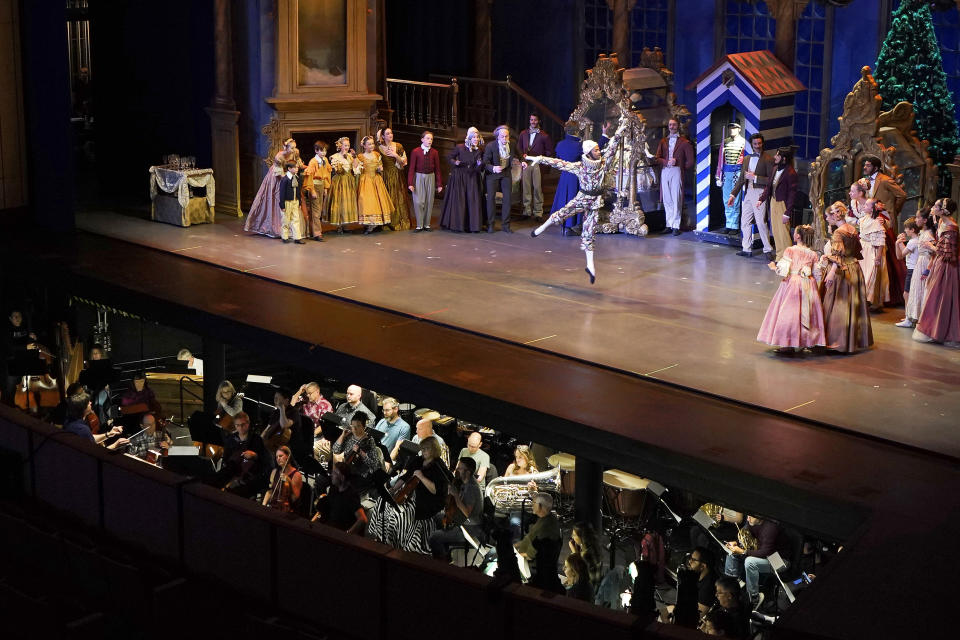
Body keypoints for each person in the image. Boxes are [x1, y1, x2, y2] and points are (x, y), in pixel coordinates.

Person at [528, 117, 629, 283]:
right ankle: (542, 228)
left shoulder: (603, 163)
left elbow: (613, 145)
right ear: (588, 152)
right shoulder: (580, 166)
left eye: (598, 149)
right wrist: (540, 158)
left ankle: (590, 266)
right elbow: (559, 163)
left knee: (589, 233)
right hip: (583, 198)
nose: (599, 151)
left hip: (594, 202)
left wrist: (622, 127)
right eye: (596, 150)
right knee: (563, 212)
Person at [368, 436, 448, 553]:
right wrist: (394, 489)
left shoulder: (439, 467)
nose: (423, 451)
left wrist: (421, 477)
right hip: (410, 494)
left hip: (426, 501)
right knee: (382, 501)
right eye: (423, 449)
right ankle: (379, 535)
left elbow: (435, 490)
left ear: (434, 450)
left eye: (426, 449)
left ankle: (394, 542)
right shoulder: (418, 460)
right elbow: (405, 477)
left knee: (397, 514)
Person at [757, 224, 826, 353]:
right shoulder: (813, 254)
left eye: (795, 233)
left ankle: (787, 343)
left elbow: (783, 269)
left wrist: (773, 267)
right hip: (808, 284)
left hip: (793, 283)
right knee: (806, 313)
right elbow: (817, 274)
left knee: (790, 313)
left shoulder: (791, 250)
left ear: (798, 236)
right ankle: (806, 340)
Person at [819, 222, 874, 353]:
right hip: (854, 268)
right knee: (852, 305)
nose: (827, 219)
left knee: (838, 305)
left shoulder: (838, 232)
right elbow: (855, 251)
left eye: (829, 215)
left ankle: (836, 341)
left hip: (841, 270)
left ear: (836, 215)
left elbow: (838, 257)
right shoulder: (852, 229)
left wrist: (832, 272)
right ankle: (852, 340)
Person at [913, 198, 959, 345]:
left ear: (942, 210)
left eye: (935, 206)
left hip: (947, 267)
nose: (932, 208)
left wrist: (930, 246)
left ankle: (942, 331)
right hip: (939, 263)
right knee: (934, 295)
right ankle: (933, 329)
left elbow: (948, 253)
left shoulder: (951, 227)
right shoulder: (941, 221)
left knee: (941, 297)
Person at [724, 515, 791, 607]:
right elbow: (743, 534)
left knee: (749, 562)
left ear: (759, 516)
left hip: (779, 560)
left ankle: (754, 598)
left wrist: (743, 551)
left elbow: (765, 552)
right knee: (732, 553)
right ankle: (731, 585)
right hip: (766, 555)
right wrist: (736, 543)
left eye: (751, 516)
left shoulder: (770, 528)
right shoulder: (752, 521)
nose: (747, 519)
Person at [428, 456, 484, 560]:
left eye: (459, 468)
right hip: (461, 521)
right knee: (437, 517)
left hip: (470, 528)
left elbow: (467, 513)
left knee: (434, 538)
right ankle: (445, 548)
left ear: (467, 472)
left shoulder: (472, 487)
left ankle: (443, 562)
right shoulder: (463, 482)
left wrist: (455, 495)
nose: (456, 470)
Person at [728, 133, 774, 259]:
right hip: (748, 192)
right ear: (751, 145)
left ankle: (767, 249)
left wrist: (756, 177)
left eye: (759, 143)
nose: (757, 146)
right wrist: (733, 194)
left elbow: (771, 180)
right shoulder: (747, 158)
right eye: (755, 144)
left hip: (760, 193)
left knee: (760, 222)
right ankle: (746, 249)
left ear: (762, 143)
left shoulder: (768, 159)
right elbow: (742, 179)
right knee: (745, 221)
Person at [245, 138, 302, 237]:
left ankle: (292, 229)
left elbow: (298, 164)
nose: (294, 149)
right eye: (292, 148)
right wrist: (288, 181)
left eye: (295, 147)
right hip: (278, 177)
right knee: (276, 199)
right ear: (285, 147)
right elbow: (279, 173)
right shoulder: (279, 156)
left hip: (288, 175)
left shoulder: (294, 153)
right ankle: (276, 227)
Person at [439, 127, 485, 233]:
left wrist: (480, 164)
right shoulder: (460, 147)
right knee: (460, 201)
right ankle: (458, 225)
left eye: (477, 137)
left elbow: (480, 167)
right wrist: (455, 162)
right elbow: (449, 157)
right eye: (474, 137)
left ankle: (472, 226)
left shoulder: (479, 150)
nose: (476, 139)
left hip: (472, 177)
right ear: (469, 137)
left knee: (472, 200)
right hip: (459, 177)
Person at [515, 492, 562, 591]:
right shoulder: (549, 519)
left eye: (534, 503)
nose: (532, 504)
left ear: (540, 506)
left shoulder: (544, 528)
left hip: (535, 570)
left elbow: (529, 554)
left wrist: (515, 552)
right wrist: (517, 545)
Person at [655, 117, 695, 236]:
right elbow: (657, 158)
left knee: (676, 197)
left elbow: (690, 161)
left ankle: (676, 225)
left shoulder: (684, 142)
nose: (672, 127)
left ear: (678, 126)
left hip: (677, 170)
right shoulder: (663, 141)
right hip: (665, 170)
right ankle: (669, 224)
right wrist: (666, 161)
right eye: (670, 124)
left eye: (674, 125)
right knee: (667, 198)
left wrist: (679, 166)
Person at [757, 147, 797, 261]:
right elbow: (769, 186)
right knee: (775, 230)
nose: (775, 157)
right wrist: (761, 199)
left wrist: (787, 212)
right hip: (773, 201)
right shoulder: (775, 169)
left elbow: (792, 194)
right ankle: (780, 256)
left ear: (784, 158)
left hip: (782, 204)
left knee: (783, 231)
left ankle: (788, 258)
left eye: (777, 155)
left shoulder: (790, 173)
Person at [900, 210, 936, 328]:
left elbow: (933, 255)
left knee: (921, 290)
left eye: (917, 217)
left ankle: (920, 318)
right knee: (915, 290)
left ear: (925, 220)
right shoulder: (923, 233)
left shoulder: (929, 235)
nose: (915, 220)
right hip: (919, 263)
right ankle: (912, 317)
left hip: (924, 263)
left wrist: (928, 269)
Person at [483, 125, 523, 233]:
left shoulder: (513, 144)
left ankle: (506, 225)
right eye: (502, 137)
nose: (504, 139)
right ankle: (490, 224)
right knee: (491, 199)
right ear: (498, 137)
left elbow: (520, 155)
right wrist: (493, 168)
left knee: (507, 199)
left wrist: (523, 161)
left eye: (506, 136)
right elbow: (485, 163)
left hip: (506, 173)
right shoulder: (491, 146)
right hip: (493, 174)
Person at [219, 411, 268, 498]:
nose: (240, 427)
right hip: (232, 473)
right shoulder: (231, 439)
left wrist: (255, 455)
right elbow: (226, 458)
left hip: (249, 477)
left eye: (243, 424)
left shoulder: (256, 439)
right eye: (237, 425)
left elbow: (265, 460)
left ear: (248, 423)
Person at [331, 411, 384, 489]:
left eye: (358, 426)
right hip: (345, 470)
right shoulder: (349, 436)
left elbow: (374, 464)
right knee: (323, 480)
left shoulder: (369, 441)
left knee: (342, 487)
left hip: (359, 475)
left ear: (364, 427)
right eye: (353, 425)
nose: (354, 429)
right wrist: (342, 436)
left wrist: (361, 453)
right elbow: (335, 450)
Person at [61, 389, 129, 449]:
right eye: (88, 403)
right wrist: (115, 445)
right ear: (83, 409)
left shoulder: (69, 421)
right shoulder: (82, 429)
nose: (90, 403)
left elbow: (89, 438)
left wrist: (108, 434)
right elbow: (96, 454)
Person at [517, 113, 554, 220]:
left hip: (537, 164)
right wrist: (521, 157)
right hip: (526, 163)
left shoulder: (544, 135)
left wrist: (541, 158)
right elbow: (519, 148)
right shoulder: (523, 133)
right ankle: (526, 211)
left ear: (539, 121)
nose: (533, 122)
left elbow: (549, 151)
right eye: (531, 120)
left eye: (535, 120)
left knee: (537, 188)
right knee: (526, 188)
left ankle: (538, 212)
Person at [312, 462, 367, 534]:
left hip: (338, 532)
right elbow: (323, 511)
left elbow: (363, 519)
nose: (331, 475)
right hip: (329, 528)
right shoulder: (334, 489)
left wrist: (346, 534)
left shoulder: (351, 495)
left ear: (342, 477)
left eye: (335, 473)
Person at [550, 122, 583, 235]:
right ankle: (570, 226)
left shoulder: (560, 144)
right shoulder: (578, 145)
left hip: (564, 176)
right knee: (573, 199)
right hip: (575, 177)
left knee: (564, 199)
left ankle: (564, 226)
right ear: (577, 131)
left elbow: (558, 159)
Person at [356, 135, 394, 235]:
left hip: (376, 179)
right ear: (364, 146)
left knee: (378, 200)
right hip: (366, 180)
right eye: (369, 144)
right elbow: (357, 169)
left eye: (372, 143)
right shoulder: (360, 156)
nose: (372, 145)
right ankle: (368, 223)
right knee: (366, 200)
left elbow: (380, 165)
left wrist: (380, 168)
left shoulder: (376, 154)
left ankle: (375, 223)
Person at [407, 130, 443, 232]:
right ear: (422, 139)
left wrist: (439, 184)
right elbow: (411, 168)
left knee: (429, 201)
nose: (429, 140)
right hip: (419, 177)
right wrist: (410, 183)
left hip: (430, 177)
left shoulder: (435, 152)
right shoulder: (416, 151)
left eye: (431, 139)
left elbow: (438, 169)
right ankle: (419, 224)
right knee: (419, 201)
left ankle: (426, 224)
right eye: (427, 138)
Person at [858, 198, 890, 311]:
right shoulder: (864, 219)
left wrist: (878, 256)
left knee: (870, 275)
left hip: (871, 250)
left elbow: (881, 241)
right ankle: (862, 299)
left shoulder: (877, 222)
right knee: (862, 274)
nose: (864, 206)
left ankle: (869, 300)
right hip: (863, 249)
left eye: (866, 205)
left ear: (872, 208)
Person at [377, 127, 411, 230]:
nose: (390, 135)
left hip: (397, 175)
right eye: (387, 134)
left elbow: (404, 162)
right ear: (383, 136)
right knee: (388, 198)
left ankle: (399, 221)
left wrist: (395, 155)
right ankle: (388, 222)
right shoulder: (379, 148)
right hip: (385, 176)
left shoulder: (398, 146)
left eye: (391, 133)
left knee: (398, 197)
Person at [715, 121, 746, 234]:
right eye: (730, 128)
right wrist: (718, 175)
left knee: (735, 199)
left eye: (734, 128)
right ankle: (729, 223)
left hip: (737, 172)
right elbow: (720, 160)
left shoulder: (743, 142)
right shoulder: (725, 142)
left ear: (739, 129)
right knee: (726, 199)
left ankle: (734, 225)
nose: (732, 130)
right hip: (727, 173)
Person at [292, 381, 334, 462]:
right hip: (303, 432)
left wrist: (311, 435)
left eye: (310, 393)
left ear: (317, 392)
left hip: (317, 435)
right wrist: (300, 391)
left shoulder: (325, 405)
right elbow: (291, 405)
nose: (308, 395)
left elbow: (324, 425)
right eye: (307, 393)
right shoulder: (305, 400)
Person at [329, 137, 361, 233]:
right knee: (339, 202)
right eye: (345, 145)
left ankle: (345, 224)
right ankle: (339, 225)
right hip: (339, 181)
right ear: (340, 146)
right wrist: (342, 159)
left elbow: (355, 168)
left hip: (349, 181)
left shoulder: (350, 156)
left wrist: (354, 157)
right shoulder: (335, 157)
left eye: (348, 145)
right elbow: (337, 170)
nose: (347, 147)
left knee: (347, 202)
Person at [895, 216, 921, 327]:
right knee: (909, 294)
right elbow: (901, 255)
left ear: (912, 230)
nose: (905, 230)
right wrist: (899, 243)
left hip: (912, 270)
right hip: (914, 269)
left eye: (906, 228)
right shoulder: (916, 240)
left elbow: (900, 255)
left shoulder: (913, 242)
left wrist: (898, 243)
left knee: (907, 294)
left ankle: (908, 319)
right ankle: (909, 317)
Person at [262, 446, 304, 514]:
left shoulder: (296, 475)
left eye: (281, 456)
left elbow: (294, 499)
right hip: (272, 506)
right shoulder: (274, 471)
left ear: (288, 457)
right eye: (277, 457)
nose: (278, 459)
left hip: (286, 510)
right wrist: (263, 506)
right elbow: (270, 491)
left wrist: (289, 481)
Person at [303, 140, 331, 241]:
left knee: (318, 210)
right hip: (315, 185)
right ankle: (317, 233)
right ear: (316, 151)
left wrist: (326, 188)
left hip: (321, 185)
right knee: (315, 211)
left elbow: (327, 175)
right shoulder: (313, 162)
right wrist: (312, 190)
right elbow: (309, 176)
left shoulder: (325, 160)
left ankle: (312, 231)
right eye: (321, 151)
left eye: (325, 151)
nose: (324, 153)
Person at [569, 521, 604, 591]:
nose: (572, 537)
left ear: (582, 537)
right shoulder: (593, 545)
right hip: (597, 584)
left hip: (589, 589)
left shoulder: (586, 554)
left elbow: (578, 571)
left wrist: (574, 552)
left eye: (574, 535)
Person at [279, 161, 306, 244]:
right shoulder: (285, 179)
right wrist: (282, 205)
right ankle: (285, 236)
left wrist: (299, 202)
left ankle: (297, 237)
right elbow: (282, 193)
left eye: (297, 167)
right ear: (289, 169)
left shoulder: (297, 178)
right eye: (295, 167)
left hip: (295, 201)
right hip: (287, 202)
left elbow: (298, 191)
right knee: (286, 220)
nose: (297, 169)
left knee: (296, 219)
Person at [687, 547, 717, 616]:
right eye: (690, 558)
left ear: (703, 566)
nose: (689, 561)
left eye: (693, 560)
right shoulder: (698, 575)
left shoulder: (708, 587)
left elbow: (699, 615)